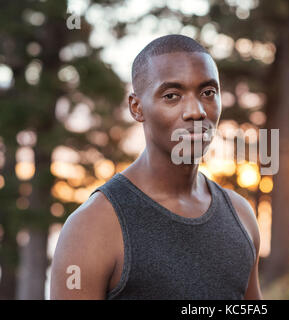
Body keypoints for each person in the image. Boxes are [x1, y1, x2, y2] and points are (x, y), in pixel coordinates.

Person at [50, 34, 263, 300]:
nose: (196, 111)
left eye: (208, 93)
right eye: (172, 96)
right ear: (137, 108)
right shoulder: (92, 227)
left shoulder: (241, 216)